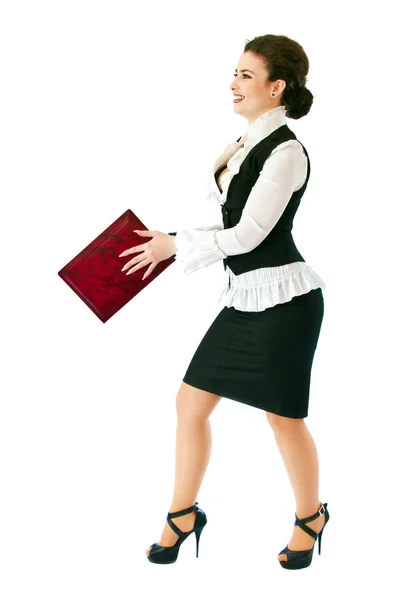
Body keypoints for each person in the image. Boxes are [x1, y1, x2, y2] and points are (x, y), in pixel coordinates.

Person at [119, 34, 330, 570]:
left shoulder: (285, 151)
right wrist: (167, 243)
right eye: (234, 73)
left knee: (282, 418)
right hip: (245, 300)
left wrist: (179, 246)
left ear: (275, 86)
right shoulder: (242, 145)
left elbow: (251, 235)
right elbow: (226, 222)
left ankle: (311, 518)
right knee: (190, 404)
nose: (232, 83)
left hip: (284, 304)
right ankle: (182, 515)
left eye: (244, 75)